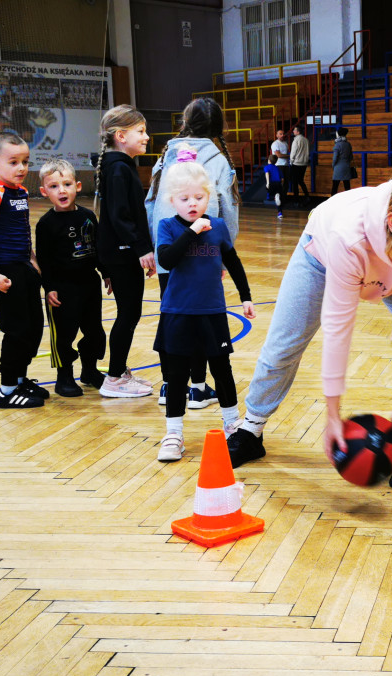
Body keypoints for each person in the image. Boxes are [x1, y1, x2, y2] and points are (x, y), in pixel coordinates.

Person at [225, 169, 392, 504]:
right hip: (322, 256)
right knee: (284, 344)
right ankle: (250, 429)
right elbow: (338, 329)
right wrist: (333, 415)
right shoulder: (349, 238)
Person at [153, 153, 254, 462]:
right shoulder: (168, 227)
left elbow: (233, 262)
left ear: (208, 197)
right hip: (178, 313)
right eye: (184, 198)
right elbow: (167, 260)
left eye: (199, 197)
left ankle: (231, 424)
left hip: (212, 313)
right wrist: (192, 231)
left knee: (222, 369)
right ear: (172, 200)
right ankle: (173, 433)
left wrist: (246, 296)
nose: (192, 203)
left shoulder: (219, 227)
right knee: (177, 374)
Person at [146, 97, 240, 409]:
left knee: (172, 320)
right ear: (219, 126)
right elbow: (230, 209)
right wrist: (224, 250)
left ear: (185, 122)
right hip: (202, 253)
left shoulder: (166, 155)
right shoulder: (218, 159)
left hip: (168, 251)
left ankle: (170, 384)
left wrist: (158, 246)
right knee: (201, 319)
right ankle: (198, 387)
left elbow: (150, 203)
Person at [94, 104, 155, 398]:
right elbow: (119, 216)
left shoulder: (121, 166)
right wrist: (141, 248)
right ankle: (115, 377)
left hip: (120, 253)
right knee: (128, 314)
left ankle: (119, 370)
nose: (146, 137)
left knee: (130, 313)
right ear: (121, 135)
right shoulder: (118, 168)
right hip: (121, 252)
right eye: (140, 131)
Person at [35, 159, 106, 397]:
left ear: (77, 186)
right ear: (45, 192)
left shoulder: (88, 216)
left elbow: (97, 248)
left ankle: (90, 370)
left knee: (94, 331)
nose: (62, 190)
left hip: (89, 283)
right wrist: (50, 288)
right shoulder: (46, 224)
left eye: (66, 184)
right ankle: (64, 376)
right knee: (64, 335)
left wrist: (105, 273)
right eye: (54, 186)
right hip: (62, 289)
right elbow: (43, 259)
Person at [0, 132, 48, 409]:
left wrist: (33, 260)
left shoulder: (21, 192)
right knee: (15, 330)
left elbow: (22, 231)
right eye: (13, 162)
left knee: (32, 328)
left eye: (25, 161)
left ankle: (19, 379)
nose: (22, 168)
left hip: (23, 267)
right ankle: (6, 391)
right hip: (4, 272)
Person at [288, 125, 311, 205]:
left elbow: (293, 152)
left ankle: (296, 200)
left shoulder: (296, 140)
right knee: (301, 181)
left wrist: (291, 161)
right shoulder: (306, 140)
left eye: (294, 130)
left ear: (298, 132)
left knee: (295, 182)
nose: (293, 131)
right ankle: (307, 196)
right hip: (304, 163)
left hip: (296, 163)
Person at [330, 127, 354, 195]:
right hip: (346, 167)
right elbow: (351, 157)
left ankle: (332, 201)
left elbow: (335, 158)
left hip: (338, 167)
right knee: (347, 187)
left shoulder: (337, 145)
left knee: (335, 186)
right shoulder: (348, 144)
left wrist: (333, 165)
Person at [263, 154, 284, 219]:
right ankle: (280, 213)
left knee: (269, 195)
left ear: (269, 160)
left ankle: (273, 197)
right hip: (278, 184)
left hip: (272, 184)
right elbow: (282, 179)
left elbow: (267, 174)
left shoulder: (266, 167)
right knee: (279, 198)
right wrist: (281, 185)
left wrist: (268, 183)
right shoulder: (278, 168)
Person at [270, 129, 289, 194]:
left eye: (283, 134)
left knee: (286, 183)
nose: (282, 135)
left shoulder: (285, 143)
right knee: (280, 182)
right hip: (278, 165)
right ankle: (278, 198)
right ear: (277, 135)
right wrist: (289, 156)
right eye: (280, 134)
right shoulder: (275, 143)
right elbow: (279, 155)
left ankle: (283, 198)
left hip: (286, 165)